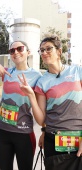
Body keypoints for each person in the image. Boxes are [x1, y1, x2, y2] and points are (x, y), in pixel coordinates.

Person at [20, 35, 82, 170]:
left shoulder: (78, 72)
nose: (44, 52)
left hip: (79, 141)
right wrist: (31, 95)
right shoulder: (42, 82)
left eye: (48, 48)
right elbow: (42, 120)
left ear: (59, 51)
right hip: (53, 143)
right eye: (41, 50)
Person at [0, 40, 42, 170]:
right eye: (12, 50)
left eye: (20, 49)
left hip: (23, 133)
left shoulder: (37, 76)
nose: (16, 52)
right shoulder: (7, 72)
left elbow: (42, 107)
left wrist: (44, 130)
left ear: (28, 52)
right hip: (2, 132)